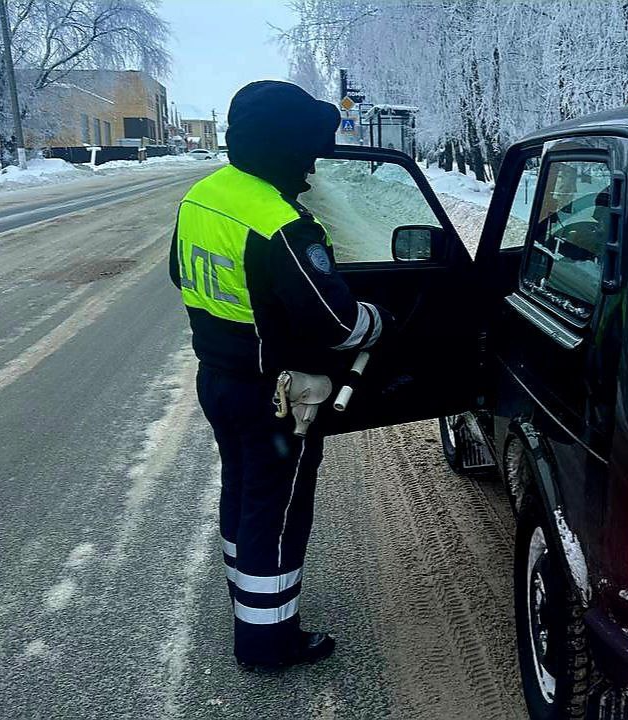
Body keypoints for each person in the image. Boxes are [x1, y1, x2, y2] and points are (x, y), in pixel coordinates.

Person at [169, 81, 393, 670]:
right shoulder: (281, 223)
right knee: (279, 507)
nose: (314, 166)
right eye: (309, 152)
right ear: (284, 148)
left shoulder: (203, 195)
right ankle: (268, 640)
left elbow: (180, 275)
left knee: (242, 489)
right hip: (273, 395)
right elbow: (337, 322)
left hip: (217, 381)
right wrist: (378, 320)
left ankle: (245, 596)